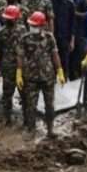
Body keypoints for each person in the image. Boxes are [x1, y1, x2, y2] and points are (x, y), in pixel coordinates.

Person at [17, 11, 65, 139]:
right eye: (31, 25)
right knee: (30, 105)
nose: (33, 28)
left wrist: (60, 70)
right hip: (31, 77)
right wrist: (19, 72)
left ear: (42, 25)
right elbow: (20, 56)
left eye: (35, 25)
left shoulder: (49, 38)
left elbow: (55, 55)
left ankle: (50, 129)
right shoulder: (25, 38)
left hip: (47, 77)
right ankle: (31, 129)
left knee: (49, 105)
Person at [0, 5, 26, 126]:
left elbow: (27, 48)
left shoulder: (22, 30)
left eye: (11, 18)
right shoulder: (1, 32)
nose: (9, 20)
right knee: (7, 94)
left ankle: (27, 119)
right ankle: (7, 119)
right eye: (7, 18)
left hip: (22, 67)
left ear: (16, 18)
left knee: (24, 93)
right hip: (7, 67)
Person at [51, 0, 75, 72]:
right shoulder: (49, 1)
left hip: (65, 36)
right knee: (52, 58)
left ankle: (64, 78)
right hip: (52, 36)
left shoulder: (70, 3)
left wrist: (72, 40)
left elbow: (73, 23)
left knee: (64, 59)